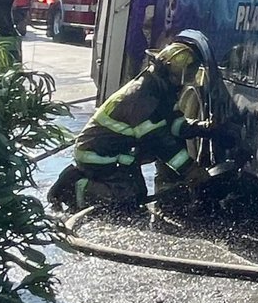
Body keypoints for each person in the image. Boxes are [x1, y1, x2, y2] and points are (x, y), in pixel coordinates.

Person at [48, 29, 227, 212]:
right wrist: (190, 170)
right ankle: (74, 188)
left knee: (139, 194)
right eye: (187, 75)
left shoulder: (160, 88)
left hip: (121, 150)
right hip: (98, 155)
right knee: (127, 199)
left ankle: (168, 198)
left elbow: (175, 124)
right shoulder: (144, 97)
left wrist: (206, 128)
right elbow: (159, 142)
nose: (187, 81)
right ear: (175, 72)